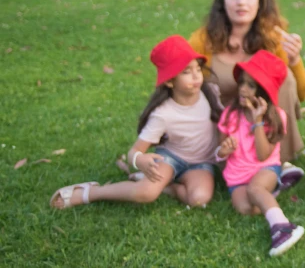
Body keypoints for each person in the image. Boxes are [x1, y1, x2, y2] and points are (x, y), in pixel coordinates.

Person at [50, 35, 222, 209]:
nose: (196, 76)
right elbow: (135, 151)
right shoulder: (163, 114)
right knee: (146, 193)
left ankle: (168, 188)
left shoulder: (211, 93)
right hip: (171, 158)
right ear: (170, 81)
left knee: (199, 199)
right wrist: (140, 160)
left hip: (200, 162)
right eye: (186, 72)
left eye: (198, 69)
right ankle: (90, 192)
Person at [189, 0, 305, 184]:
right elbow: (182, 80)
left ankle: (277, 161)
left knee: (285, 78)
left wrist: (295, 61)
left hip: (263, 121)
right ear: (223, 2)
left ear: (259, 1)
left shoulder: (273, 39)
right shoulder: (203, 40)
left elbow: (299, 93)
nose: (241, 2)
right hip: (225, 126)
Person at [216, 50, 305, 257]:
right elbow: (219, 151)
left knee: (256, 189)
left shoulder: (276, 117)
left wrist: (257, 121)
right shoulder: (230, 114)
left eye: (251, 85)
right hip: (237, 175)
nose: (243, 89)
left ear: (264, 91)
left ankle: (282, 227)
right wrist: (224, 150)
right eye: (242, 83)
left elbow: (263, 155)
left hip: (265, 168)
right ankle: (277, 188)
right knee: (247, 208)